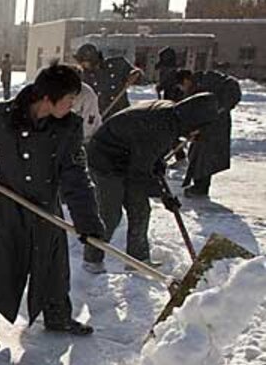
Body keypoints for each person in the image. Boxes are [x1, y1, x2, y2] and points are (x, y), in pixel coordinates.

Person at [0, 64, 105, 349]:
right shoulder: (2, 119)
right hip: (8, 205)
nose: (73, 105)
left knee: (52, 266)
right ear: (48, 98)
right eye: (69, 99)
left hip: (47, 208)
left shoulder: (68, 128)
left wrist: (88, 221)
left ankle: (58, 317)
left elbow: (75, 174)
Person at [81, 93, 220, 274]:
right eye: (197, 133)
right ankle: (92, 260)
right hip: (105, 160)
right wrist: (164, 195)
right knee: (110, 213)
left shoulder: (173, 116)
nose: (194, 138)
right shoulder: (161, 127)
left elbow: (147, 155)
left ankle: (137, 260)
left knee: (140, 209)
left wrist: (158, 167)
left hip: (128, 157)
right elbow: (141, 172)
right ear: (195, 123)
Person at [176, 69, 242, 197]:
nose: (183, 89)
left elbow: (232, 88)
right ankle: (199, 185)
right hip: (205, 125)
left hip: (216, 125)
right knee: (196, 153)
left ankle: (201, 188)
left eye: (182, 86)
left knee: (205, 156)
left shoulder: (207, 80)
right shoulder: (194, 88)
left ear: (186, 80)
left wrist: (218, 109)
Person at [74, 43, 143, 119]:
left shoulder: (116, 65)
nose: (82, 65)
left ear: (93, 59)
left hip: (121, 114)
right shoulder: (84, 77)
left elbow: (139, 77)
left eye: (84, 62)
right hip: (99, 117)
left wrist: (135, 74)